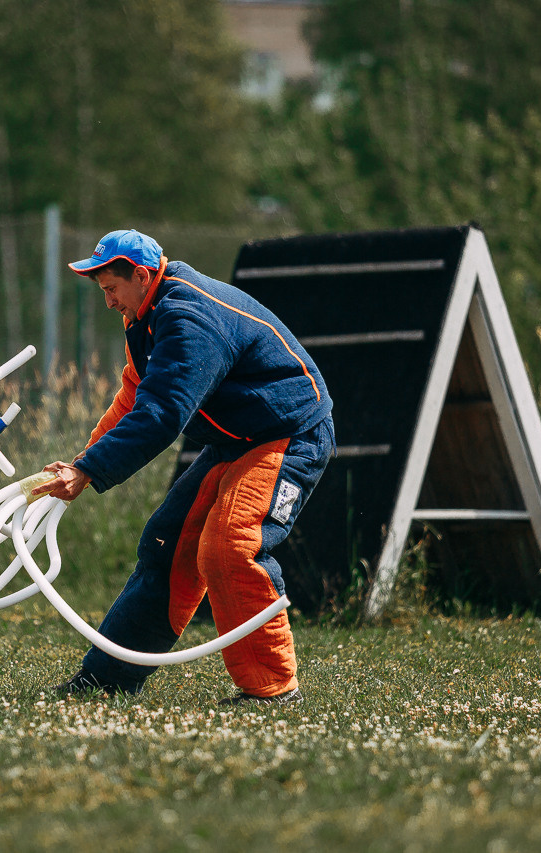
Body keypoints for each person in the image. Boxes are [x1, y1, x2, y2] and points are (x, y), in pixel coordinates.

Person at [33, 229, 333, 705]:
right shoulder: (146, 313)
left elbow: (162, 414)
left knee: (229, 547)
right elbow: (134, 395)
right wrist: (81, 463)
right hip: (235, 441)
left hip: (288, 434)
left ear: (142, 274)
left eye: (112, 289)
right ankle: (108, 680)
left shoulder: (187, 318)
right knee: (167, 547)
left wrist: (89, 471)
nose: (109, 302)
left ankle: (272, 690)